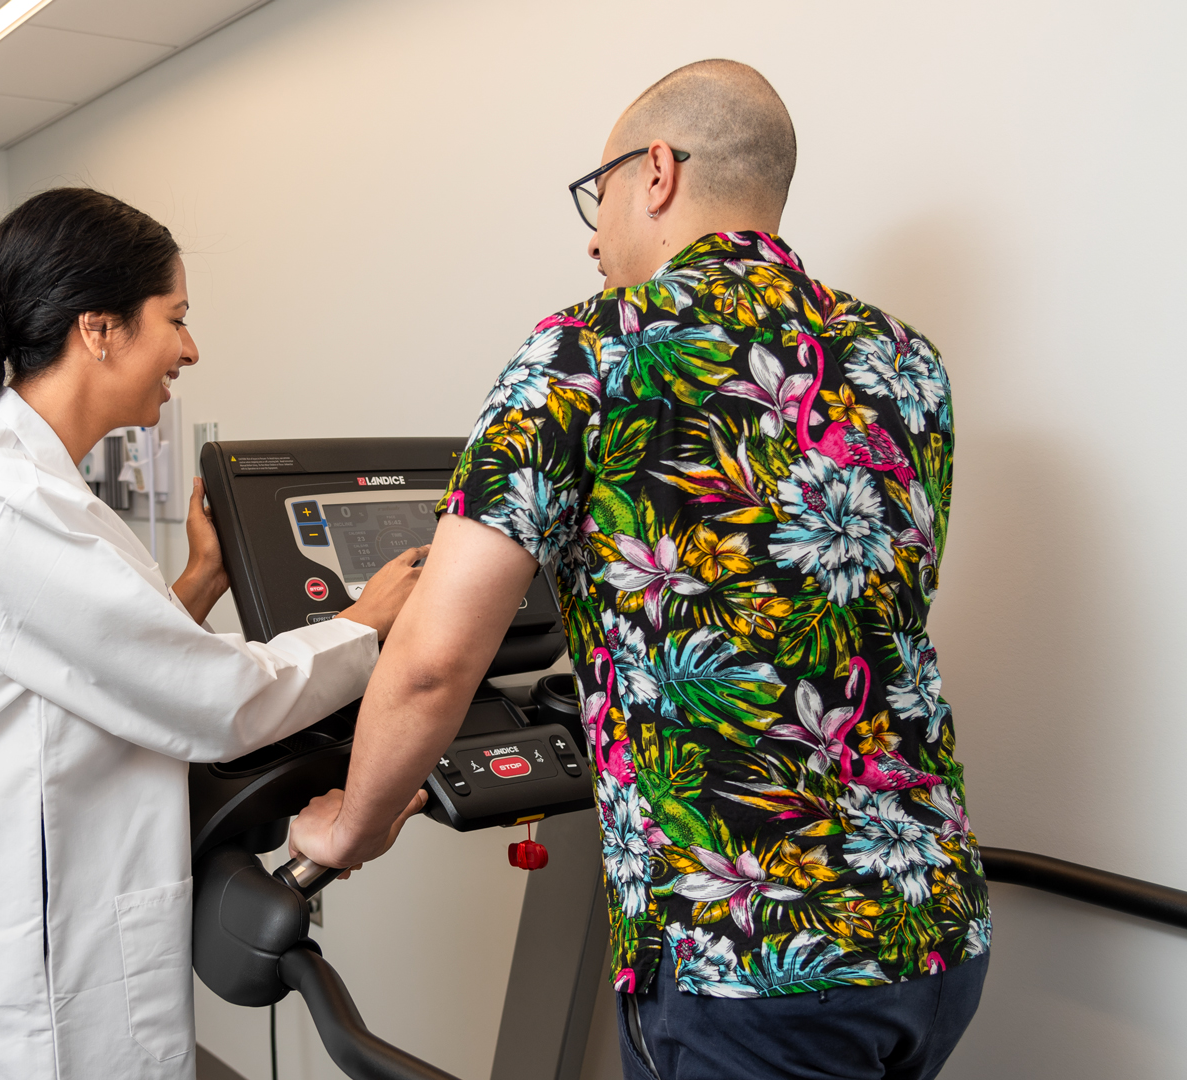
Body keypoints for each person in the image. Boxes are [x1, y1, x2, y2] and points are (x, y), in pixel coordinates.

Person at [290, 60, 990, 1080]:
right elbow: (856, 612)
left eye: (600, 191)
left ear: (654, 171)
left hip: (750, 966)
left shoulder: (589, 348)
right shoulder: (906, 360)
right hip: (933, 931)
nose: (592, 230)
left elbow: (437, 657)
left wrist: (350, 829)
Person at [0, 188, 426, 1080]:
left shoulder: (28, 483)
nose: (190, 349)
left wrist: (201, 579)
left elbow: (94, 665)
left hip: (15, 914)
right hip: (3, 970)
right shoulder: (9, 507)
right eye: (176, 319)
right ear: (100, 328)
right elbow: (218, 701)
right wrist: (367, 622)